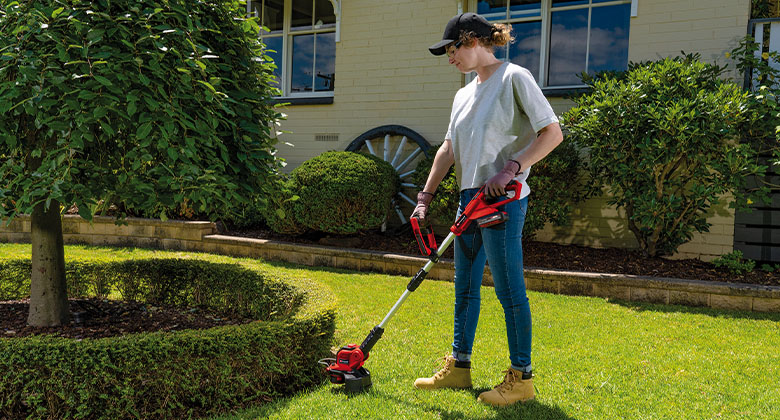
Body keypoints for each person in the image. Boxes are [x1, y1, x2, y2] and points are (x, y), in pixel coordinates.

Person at [411, 12, 563, 407]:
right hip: (469, 200)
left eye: (452, 49)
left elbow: (552, 133)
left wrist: (513, 167)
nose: (450, 58)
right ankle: (459, 367)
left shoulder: (514, 77)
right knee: (464, 288)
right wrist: (424, 198)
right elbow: (448, 150)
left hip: (502, 200)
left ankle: (522, 377)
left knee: (509, 290)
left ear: (473, 40)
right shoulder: (463, 94)